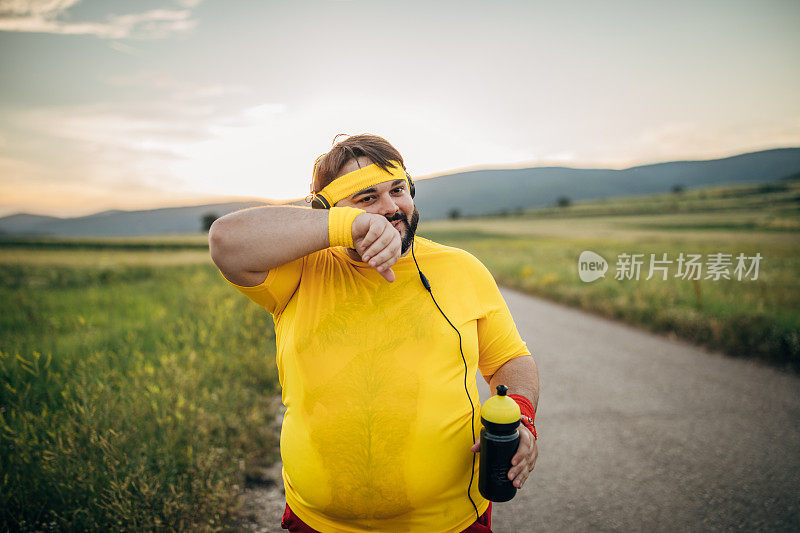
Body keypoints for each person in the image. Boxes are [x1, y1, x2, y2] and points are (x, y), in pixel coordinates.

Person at [208, 134, 539, 533]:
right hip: (320, 523)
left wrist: (522, 413)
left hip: (452, 521)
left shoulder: (462, 268)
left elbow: (509, 359)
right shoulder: (300, 271)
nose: (390, 208)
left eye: (397, 190)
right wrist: (352, 227)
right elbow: (225, 240)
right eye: (365, 199)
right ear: (326, 212)